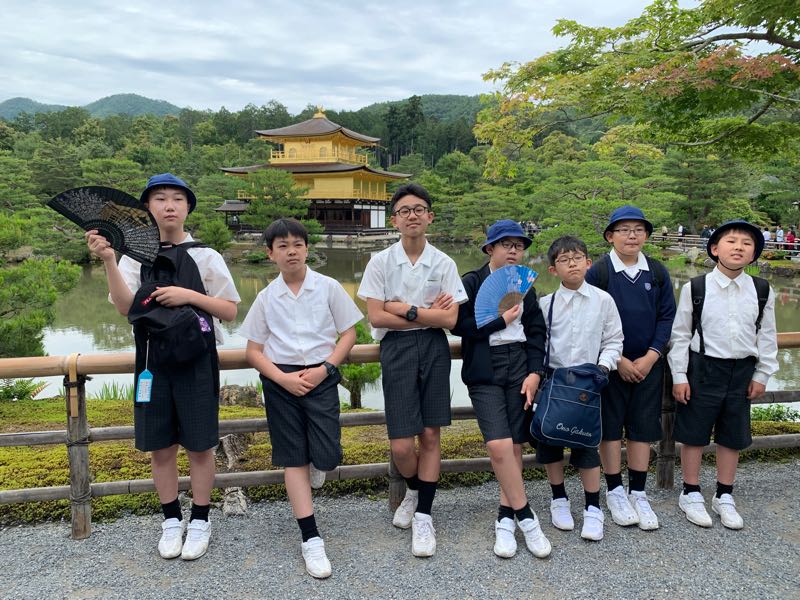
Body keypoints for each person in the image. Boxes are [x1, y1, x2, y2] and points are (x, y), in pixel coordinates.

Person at [85, 173, 240, 560]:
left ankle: (200, 519)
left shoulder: (206, 256)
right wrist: (109, 260)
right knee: (161, 447)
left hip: (197, 359)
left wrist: (187, 295)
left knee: (201, 445)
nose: (169, 206)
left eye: (177, 199)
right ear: (146, 208)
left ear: (188, 207)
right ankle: (171, 519)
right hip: (152, 361)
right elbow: (125, 307)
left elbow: (229, 310)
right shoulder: (133, 256)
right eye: (159, 199)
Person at [241, 218, 362, 578]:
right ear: (270, 254)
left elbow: (349, 333)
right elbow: (253, 351)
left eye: (297, 244)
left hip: (321, 375)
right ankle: (311, 538)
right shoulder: (266, 298)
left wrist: (327, 368)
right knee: (293, 458)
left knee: (327, 454)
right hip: (281, 381)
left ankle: (317, 464)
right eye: (282, 246)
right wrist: (282, 379)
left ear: (307, 249)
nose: (291, 251)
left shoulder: (328, 287)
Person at [357, 182, 468, 557]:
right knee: (402, 443)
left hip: (434, 348)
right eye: (404, 211)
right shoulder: (380, 262)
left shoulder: (444, 263)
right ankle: (416, 488)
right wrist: (426, 314)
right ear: (394, 220)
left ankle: (424, 514)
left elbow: (450, 320)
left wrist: (404, 308)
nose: (412, 216)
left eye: (419, 209)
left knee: (431, 434)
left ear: (430, 216)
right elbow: (376, 316)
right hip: (397, 349)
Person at [451, 220, 551, 559]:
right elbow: (458, 325)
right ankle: (527, 516)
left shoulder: (525, 286)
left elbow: (536, 332)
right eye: (506, 244)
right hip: (485, 367)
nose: (513, 251)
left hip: (520, 365)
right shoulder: (472, 281)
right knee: (498, 444)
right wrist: (500, 321)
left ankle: (505, 518)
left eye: (518, 246)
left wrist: (535, 372)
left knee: (515, 444)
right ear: (489, 248)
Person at [668, 220, 778, 529]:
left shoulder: (761, 289)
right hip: (703, 367)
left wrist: (762, 374)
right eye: (731, 241)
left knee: (733, 434)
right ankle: (690, 491)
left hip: (742, 370)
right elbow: (680, 335)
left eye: (747, 243)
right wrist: (679, 375)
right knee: (694, 433)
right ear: (715, 249)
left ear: (753, 254)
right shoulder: (696, 287)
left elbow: (767, 335)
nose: (739, 247)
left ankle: (724, 494)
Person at [585, 205, 676, 531]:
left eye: (638, 229)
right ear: (610, 236)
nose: (632, 235)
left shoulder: (657, 272)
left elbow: (667, 317)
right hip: (609, 365)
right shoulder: (599, 272)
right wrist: (618, 359)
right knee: (609, 428)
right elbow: (589, 318)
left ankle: (638, 491)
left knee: (642, 428)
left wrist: (651, 356)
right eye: (624, 230)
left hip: (648, 365)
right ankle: (614, 490)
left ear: (646, 235)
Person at [535, 236, 623, 541]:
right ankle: (558, 498)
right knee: (550, 441)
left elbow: (614, 340)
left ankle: (593, 507)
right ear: (553, 269)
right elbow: (538, 343)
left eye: (577, 258)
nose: (571, 264)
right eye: (564, 260)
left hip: (589, 382)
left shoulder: (603, 300)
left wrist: (603, 367)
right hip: (554, 381)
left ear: (588, 262)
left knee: (587, 444)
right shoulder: (545, 304)